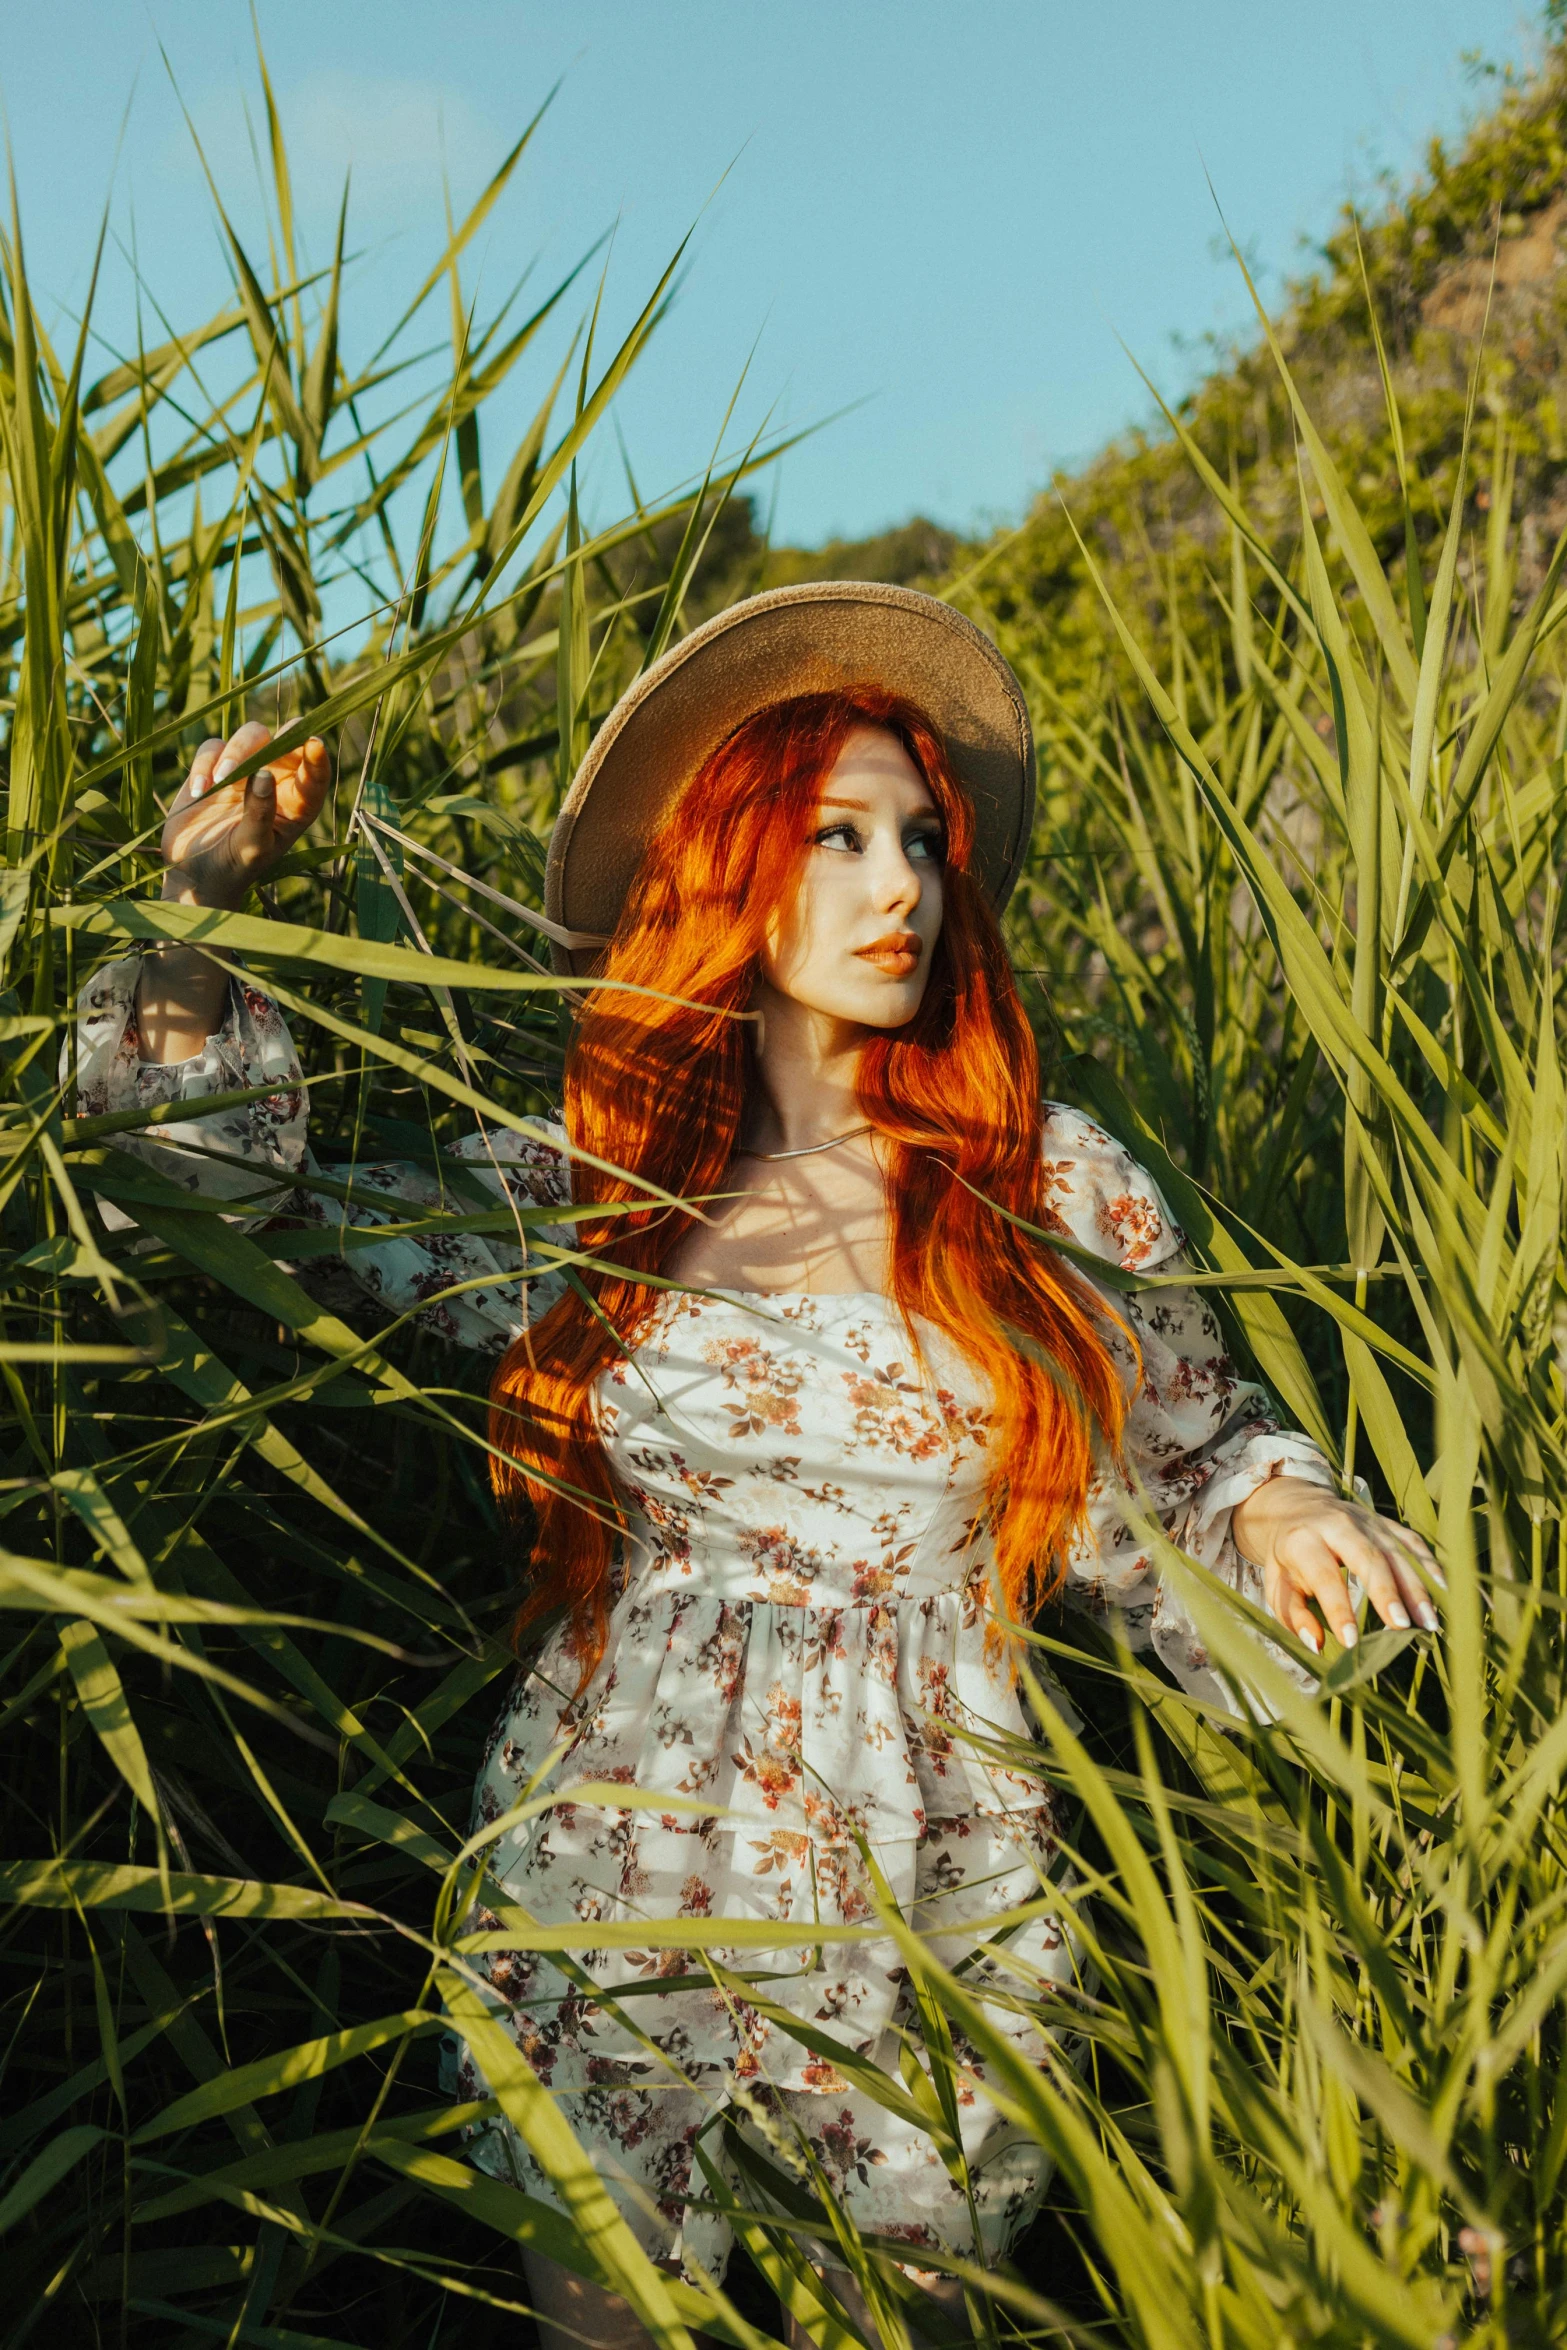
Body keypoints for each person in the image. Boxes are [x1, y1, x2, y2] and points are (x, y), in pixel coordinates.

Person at [77, 583, 1439, 2346]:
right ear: (729, 866)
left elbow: (1185, 1447)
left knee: (922, 2309)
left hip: (943, 1837)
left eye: (922, 841)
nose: (901, 888)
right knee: (610, 2315)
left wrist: (1283, 1498)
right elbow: (234, 1212)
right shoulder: (588, 1183)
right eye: (839, 837)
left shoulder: (1041, 1181)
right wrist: (195, 914)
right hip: (615, 1826)